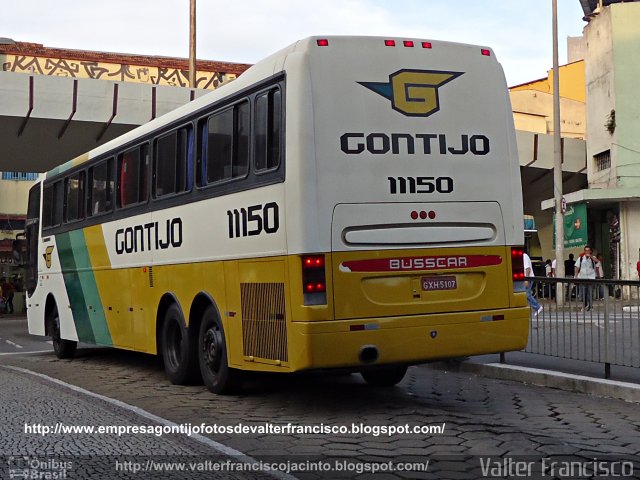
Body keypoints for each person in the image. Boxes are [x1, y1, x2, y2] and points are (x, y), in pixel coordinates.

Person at [574, 246, 601, 312]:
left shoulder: (593, 258)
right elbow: (577, 267)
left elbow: (598, 262)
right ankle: (585, 304)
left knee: (590, 293)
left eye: (588, 250)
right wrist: (576, 275)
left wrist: (591, 256)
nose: (587, 252)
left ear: (590, 251)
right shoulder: (580, 259)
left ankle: (590, 306)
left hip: (591, 277)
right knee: (582, 294)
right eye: (586, 250)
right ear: (584, 251)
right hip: (582, 278)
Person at [523, 252, 542, 316]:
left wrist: (526, 280)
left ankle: (537, 306)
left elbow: (528, 268)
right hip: (526, 278)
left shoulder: (524, 256)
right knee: (525, 294)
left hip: (528, 278)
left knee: (527, 294)